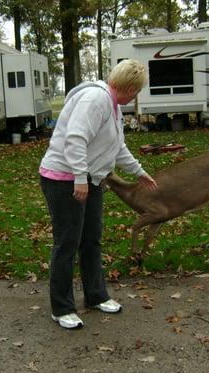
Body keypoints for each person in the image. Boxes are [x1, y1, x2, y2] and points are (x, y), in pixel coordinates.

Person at [39, 59, 158, 330]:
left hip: (90, 179)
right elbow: (75, 138)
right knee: (67, 242)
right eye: (136, 91)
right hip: (64, 179)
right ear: (131, 88)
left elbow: (117, 146)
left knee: (91, 238)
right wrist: (79, 178)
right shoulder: (96, 99)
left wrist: (139, 171)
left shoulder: (113, 107)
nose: (135, 97)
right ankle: (62, 307)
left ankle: (95, 295)